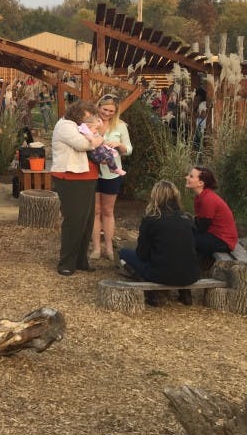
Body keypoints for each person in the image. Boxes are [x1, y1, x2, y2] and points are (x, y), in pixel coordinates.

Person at [119, 180, 199, 305]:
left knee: (124, 253)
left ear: (155, 197)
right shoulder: (187, 219)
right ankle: (185, 292)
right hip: (191, 274)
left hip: (161, 274)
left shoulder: (151, 220)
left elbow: (142, 255)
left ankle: (151, 292)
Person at [50, 100, 102, 276]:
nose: (90, 119)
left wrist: (95, 138)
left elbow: (92, 141)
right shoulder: (66, 126)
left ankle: (81, 260)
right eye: (88, 115)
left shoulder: (78, 126)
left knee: (86, 222)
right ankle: (66, 262)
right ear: (78, 113)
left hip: (87, 177)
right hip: (71, 177)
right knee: (74, 221)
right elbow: (83, 144)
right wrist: (97, 139)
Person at [90, 94, 133, 261]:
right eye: (104, 109)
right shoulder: (90, 122)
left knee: (107, 211)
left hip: (112, 173)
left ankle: (108, 246)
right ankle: (96, 248)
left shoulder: (120, 126)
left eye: (111, 111)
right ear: (98, 106)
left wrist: (119, 145)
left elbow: (129, 149)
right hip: (92, 171)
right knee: (95, 210)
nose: (107, 113)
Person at [185, 166, 238, 262]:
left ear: (201, 183)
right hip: (213, 234)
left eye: (191, 176)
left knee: (186, 240)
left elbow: (202, 227)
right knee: (185, 234)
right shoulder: (200, 197)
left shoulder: (208, 199)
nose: (187, 177)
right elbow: (199, 223)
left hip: (224, 241)